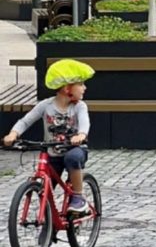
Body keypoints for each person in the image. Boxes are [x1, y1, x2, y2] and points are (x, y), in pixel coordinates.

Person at [3, 59, 94, 213]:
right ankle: (50, 222)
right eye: (81, 84)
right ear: (67, 88)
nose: (84, 88)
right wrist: (13, 133)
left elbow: (85, 123)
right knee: (45, 189)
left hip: (75, 149)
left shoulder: (79, 106)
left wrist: (81, 134)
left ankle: (78, 197)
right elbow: (25, 121)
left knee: (72, 158)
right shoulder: (46, 105)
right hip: (53, 153)